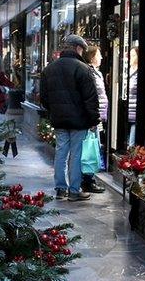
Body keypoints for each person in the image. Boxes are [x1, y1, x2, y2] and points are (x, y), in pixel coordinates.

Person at [40, 34, 100, 202]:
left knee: (61, 153)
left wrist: (54, 111)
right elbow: (90, 98)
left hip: (59, 119)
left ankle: (60, 189)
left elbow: (44, 98)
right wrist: (94, 120)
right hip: (79, 121)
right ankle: (74, 190)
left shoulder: (49, 69)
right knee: (75, 155)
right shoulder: (82, 68)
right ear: (78, 48)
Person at [81, 44, 108, 194]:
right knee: (91, 146)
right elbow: (91, 96)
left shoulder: (96, 72)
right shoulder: (89, 73)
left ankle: (88, 178)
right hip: (94, 116)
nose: (102, 57)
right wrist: (94, 117)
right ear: (92, 57)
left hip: (98, 115)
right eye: (99, 55)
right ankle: (88, 179)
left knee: (94, 144)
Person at [127, 46, 139, 147]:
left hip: (134, 107)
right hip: (128, 107)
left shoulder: (138, 73)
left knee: (134, 128)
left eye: (133, 56)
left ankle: (130, 151)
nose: (130, 58)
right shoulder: (128, 70)